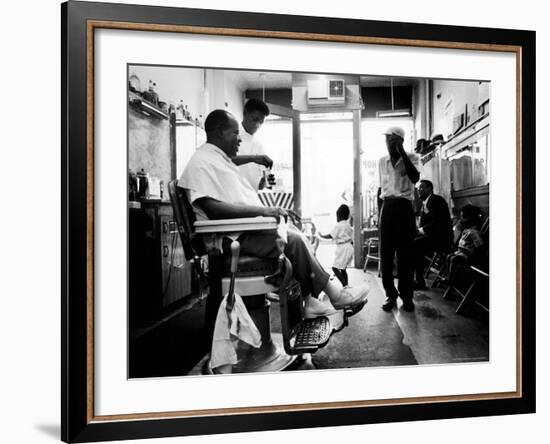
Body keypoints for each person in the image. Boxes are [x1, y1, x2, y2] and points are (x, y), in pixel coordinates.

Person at [178, 109, 368, 327]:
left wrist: (256, 162)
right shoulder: (201, 162)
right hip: (229, 240)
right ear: (220, 132)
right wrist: (264, 212)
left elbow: (233, 164)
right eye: (235, 133)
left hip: (242, 233)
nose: (240, 138)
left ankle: (310, 300)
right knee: (293, 241)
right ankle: (334, 295)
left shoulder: (215, 158)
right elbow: (214, 210)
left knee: (295, 233)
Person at [378, 126, 420, 312]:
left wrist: (401, 151)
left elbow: (415, 177)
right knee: (386, 256)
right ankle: (390, 295)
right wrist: (381, 213)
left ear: (400, 141)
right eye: (387, 140)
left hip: (404, 208)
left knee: (406, 256)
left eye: (392, 140)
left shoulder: (412, 158)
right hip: (387, 207)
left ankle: (407, 297)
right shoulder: (381, 161)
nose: (388, 144)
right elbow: (382, 189)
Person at [413, 179, 453, 289]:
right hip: (432, 236)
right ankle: (410, 277)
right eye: (418, 188)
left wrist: (421, 230)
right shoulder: (426, 202)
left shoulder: (436, 200)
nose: (419, 190)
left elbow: (439, 222)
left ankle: (419, 281)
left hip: (442, 239)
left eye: (422, 188)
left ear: (430, 189)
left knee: (416, 245)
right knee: (409, 241)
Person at [441, 204, 484, 286]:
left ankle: (451, 279)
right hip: (460, 253)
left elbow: (480, 246)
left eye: (462, 217)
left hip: (467, 255)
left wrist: (473, 255)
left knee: (454, 259)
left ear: (469, 219)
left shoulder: (474, 232)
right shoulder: (466, 230)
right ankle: (447, 276)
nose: (461, 220)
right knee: (449, 256)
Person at [237, 98, 271, 190]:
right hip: (232, 197)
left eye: (261, 122)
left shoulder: (258, 144)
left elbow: (259, 184)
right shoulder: (232, 136)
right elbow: (225, 160)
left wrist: (263, 182)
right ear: (245, 113)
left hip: (250, 197)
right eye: (254, 119)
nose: (257, 125)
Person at [318, 204, 354, 287]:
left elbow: (331, 235)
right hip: (349, 247)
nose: (336, 218)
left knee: (335, 268)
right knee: (343, 268)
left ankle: (345, 285)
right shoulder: (348, 225)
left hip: (343, 248)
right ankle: (346, 285)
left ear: (339, 215)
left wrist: (321, 235)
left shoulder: (339, 225)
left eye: (337, 216)